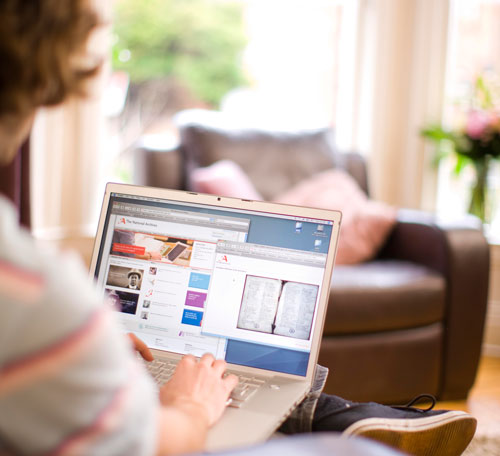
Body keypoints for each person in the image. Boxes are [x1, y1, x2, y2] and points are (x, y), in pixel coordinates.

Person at [0, 2, 477, 456]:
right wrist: (189, 405)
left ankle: (346, 416)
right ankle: (346, 423)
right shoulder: (36, 297)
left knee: (245, 381)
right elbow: (159, 444)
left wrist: (78, 347)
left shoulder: (38, 304)